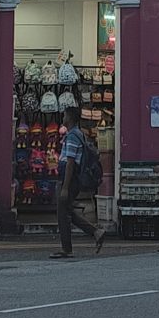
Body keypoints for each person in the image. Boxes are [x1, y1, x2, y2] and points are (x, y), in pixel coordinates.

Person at [50, 106, 107, 259]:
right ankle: (96, 232)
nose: (63, 118)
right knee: (67, 210)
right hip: (69, 178)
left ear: (70, 118)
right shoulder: (76, 134)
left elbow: (70, 163)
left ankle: (66, 249)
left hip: (68, 179)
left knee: (62, 213)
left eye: (65, 116)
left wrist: (65, 188)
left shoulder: (73, 136)